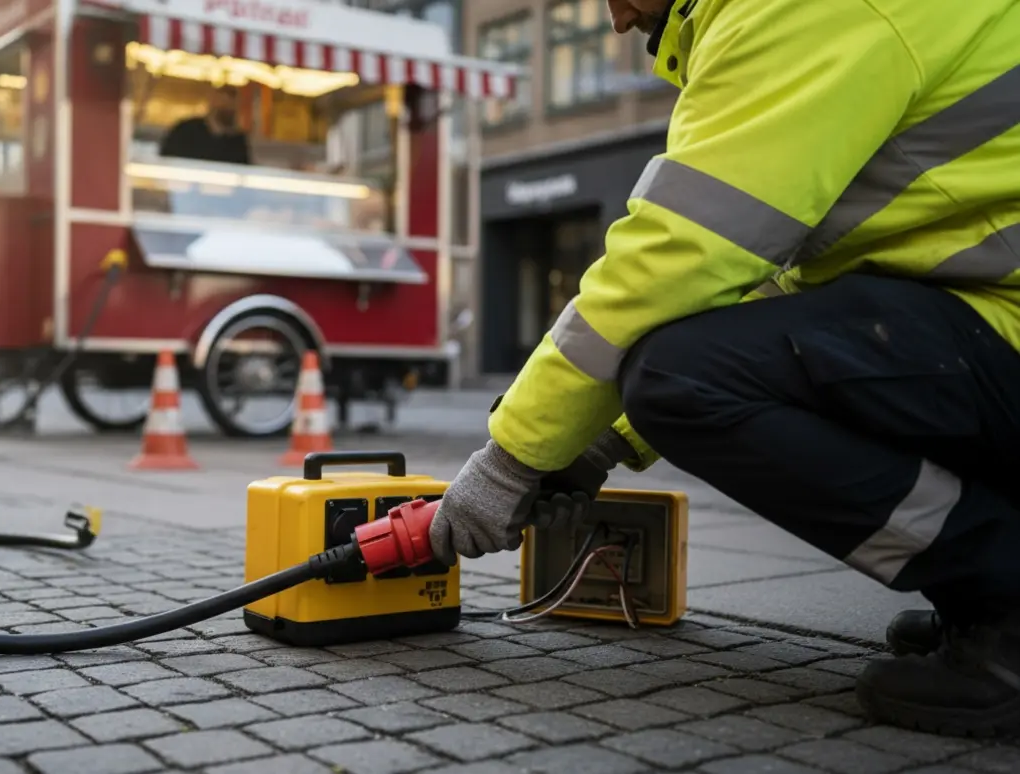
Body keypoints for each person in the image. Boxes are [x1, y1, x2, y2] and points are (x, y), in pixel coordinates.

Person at [428, 0, 1020, 737]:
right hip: (988, 319)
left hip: (997, 328)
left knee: (679, 380)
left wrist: (510, 461)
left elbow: (680, 254)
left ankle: (1002, 591)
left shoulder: (796, 11)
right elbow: (781, 290)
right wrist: (604, 439)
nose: (614, 22)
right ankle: (981, 595)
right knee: (690, 369)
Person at [158, 84, 252, 166]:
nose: (227, 107)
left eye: (231, 104)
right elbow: (167, 160)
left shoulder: (237, 142)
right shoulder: (186, 130)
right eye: (223, 101)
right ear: (212, 102)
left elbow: (242, 170)